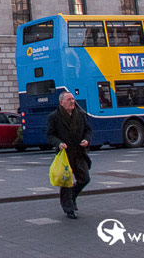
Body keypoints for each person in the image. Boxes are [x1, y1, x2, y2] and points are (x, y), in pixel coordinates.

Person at [46, 91, 93, 219]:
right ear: (61, 103)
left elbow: (88, 130)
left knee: (85, 178)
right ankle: (69, 209)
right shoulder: (54, 117)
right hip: (65, 154)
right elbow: (50, 135)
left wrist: (87, 140)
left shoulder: (81, 115)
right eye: (69, 100)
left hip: (79, 152)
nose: (72, 101)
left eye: (73, 99)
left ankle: (72, 196)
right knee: (66, 182)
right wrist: (59, 143)